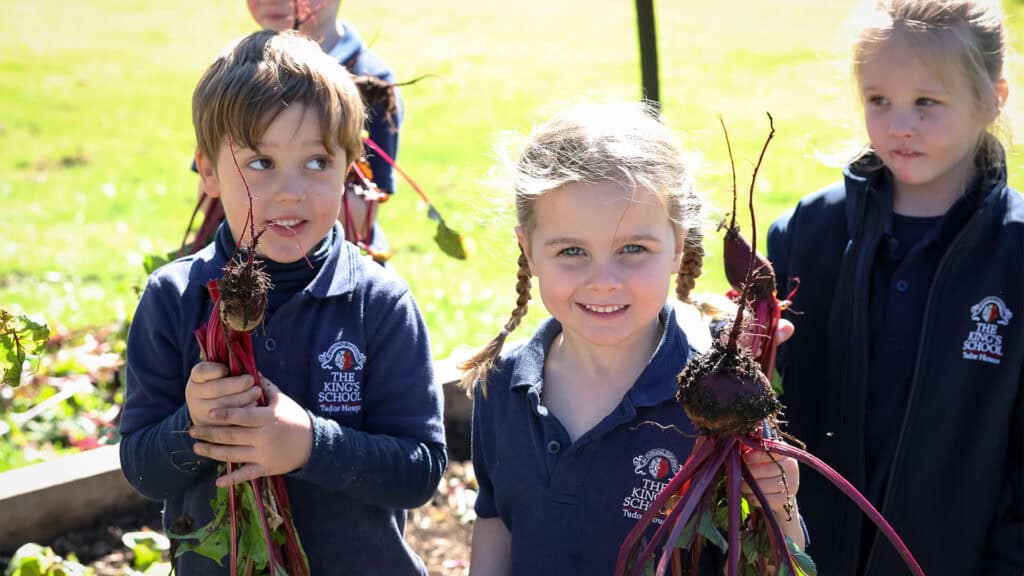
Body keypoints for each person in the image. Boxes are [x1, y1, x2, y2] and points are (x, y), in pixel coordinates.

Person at [119, 30, 445, 575]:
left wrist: (309, 445)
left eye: (316, 162)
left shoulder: (379, 305)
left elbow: (419, 470)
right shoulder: (174, 300)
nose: (291, 191)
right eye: (261, 163)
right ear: (207, 170)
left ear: (351, 166)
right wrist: (193, 425)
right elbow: (142, 469)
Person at [462, 102, 805, 575]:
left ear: (677, 247)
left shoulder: (718, 397)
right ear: (529, 251)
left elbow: (768, 555)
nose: (604, 280)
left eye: (632, 250)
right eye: (572, 251)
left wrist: (782, 505)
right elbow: (496, 518)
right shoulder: (500, 385)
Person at [767, 1, 1023, 574]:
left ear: (993, 98)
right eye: (878, 100)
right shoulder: (805, 234)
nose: (899, 125)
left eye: (926, 103)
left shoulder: (1015, 255)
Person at [189, 0, 402, 262]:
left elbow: (362, 214)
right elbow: (205, 189)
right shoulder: (235, 76)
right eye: (262, 161)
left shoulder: (372, 78)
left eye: (318, 161)